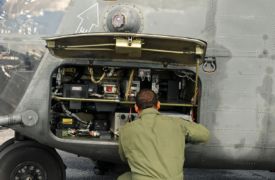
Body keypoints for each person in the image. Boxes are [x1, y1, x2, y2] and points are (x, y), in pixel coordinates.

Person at [117, 89, 209, 180]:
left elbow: (124, 158)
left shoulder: (125, 130)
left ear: (136, 107)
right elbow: (205, 135)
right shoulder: (177, 123)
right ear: (158, 105)